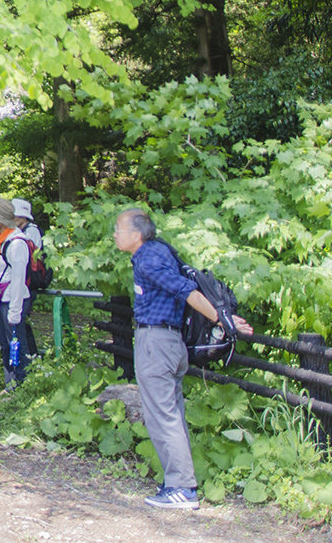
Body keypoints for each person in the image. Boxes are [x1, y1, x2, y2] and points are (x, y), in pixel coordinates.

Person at [114, 208, 252, 510]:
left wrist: (221, 321)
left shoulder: (149, 257)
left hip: (157, 343)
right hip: (170, 342)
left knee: (162, 415)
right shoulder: (162, 250)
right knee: (170, 413)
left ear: (136, 235)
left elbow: (186, 290)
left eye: (119, 228)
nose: (115, 233)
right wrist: (225, 318)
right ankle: (178, 482)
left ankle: (182, 487)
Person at [0, 197, 32, 387]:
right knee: (6, 344)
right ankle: (11, 383)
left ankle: (22, 384)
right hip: (1, 298)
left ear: (0, 218)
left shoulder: (16, 243)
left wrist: (15, 311)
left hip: (13, 300)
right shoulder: (0, 241)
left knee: (17, 344)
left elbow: (18, 279)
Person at [12, 197, 45, 356]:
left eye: (17, 215)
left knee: (23, 322)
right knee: (23, 323)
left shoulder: (31, 231)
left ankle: (29, 355)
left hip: (28, 281)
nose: (14, 218)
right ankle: (29, 356)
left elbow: (31, 259)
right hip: (23, 280)